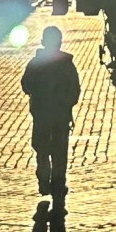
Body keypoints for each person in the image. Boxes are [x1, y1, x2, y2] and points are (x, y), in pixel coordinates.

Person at [21, 25, 82, 207]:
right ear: (60, 43)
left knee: (41, 146)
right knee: (60, 149)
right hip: (61, 113)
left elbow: (26, 85)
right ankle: (58, 181)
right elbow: (75, 88)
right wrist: (68, 102)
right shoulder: (67, 64)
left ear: (43, 42)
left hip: (41, 112)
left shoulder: (35, 63)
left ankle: (44, 175)